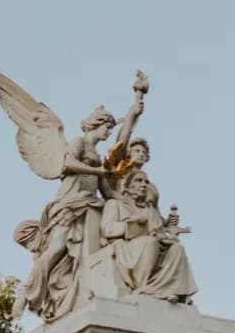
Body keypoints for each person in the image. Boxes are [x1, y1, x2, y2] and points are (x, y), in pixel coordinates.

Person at [13, 106, 122, 321]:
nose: (108, 133)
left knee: (88, 254)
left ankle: (84, 293)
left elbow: (107, 192)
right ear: (96, 125)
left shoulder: (98, 157)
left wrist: (132, 203)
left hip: (89, 206)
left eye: (110, 128)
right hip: (69, 203)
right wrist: (97, 171)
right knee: (56, 249)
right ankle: (26, 289)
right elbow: (68, 163)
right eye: (106, 128)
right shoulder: (79, 143)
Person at [102, 169, 198, 303]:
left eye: (146, 182)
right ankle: (143, 288)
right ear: (128, 186)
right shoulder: (115, 204)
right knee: (150, 242)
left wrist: (168, 238)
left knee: (177, 249)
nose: (143, 184)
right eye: (138, 180)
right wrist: (131, 226)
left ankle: (171, 290)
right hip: (127, 247)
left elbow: (159, 232)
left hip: (155, 247)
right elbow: (108, 229)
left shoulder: (151, 210)